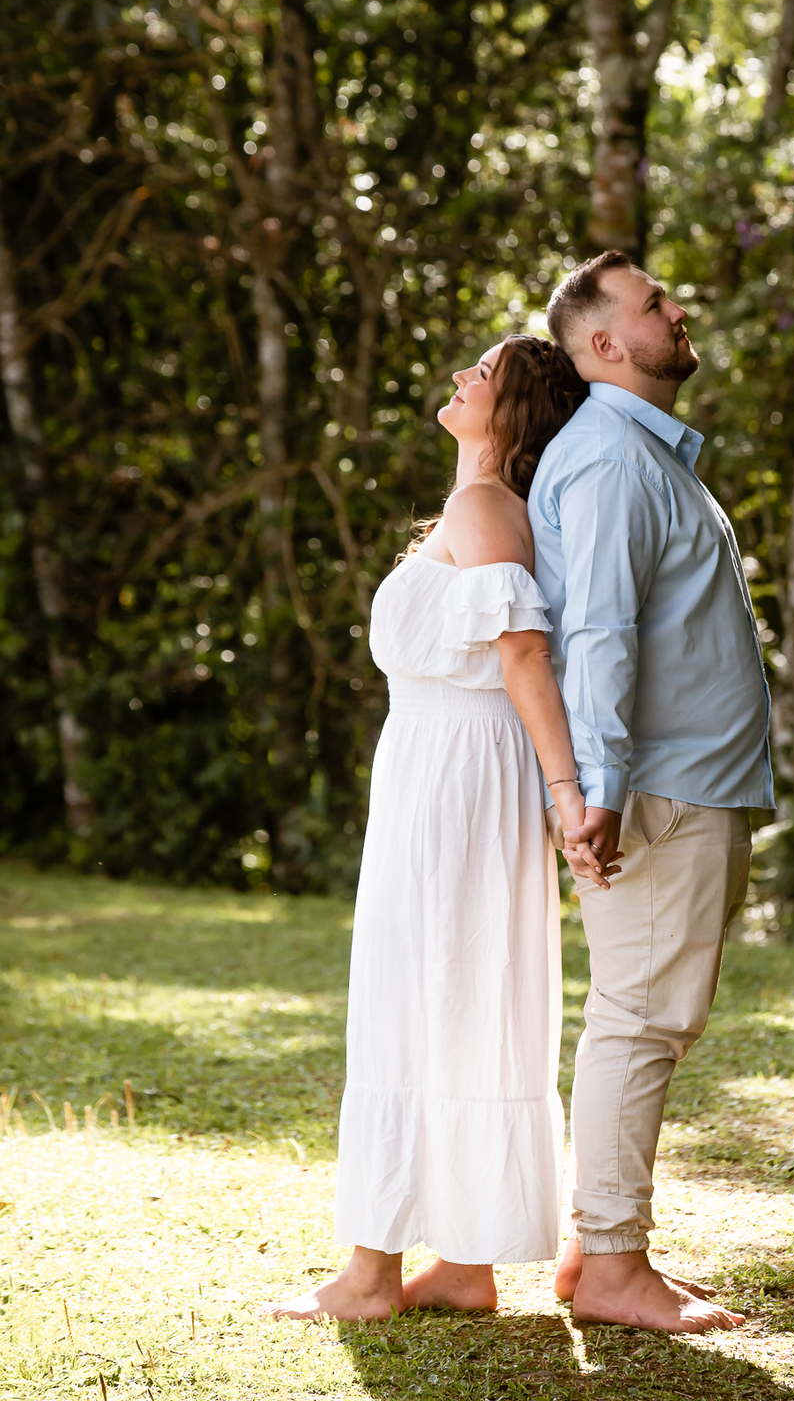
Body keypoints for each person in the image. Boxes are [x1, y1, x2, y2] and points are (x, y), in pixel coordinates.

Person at [265, 333, 602, 1323]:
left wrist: (564, 790)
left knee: (420, 998)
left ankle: (371, 1278)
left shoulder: (485, 508)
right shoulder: (478, 508)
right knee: (453, 996)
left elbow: (525, 655)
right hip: (442, 772)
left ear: (512, 414)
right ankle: (463, 1264)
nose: (461, 376)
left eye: (484, 374)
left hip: (462, 779)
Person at [528, 250, 773, 1335]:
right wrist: (602, 790)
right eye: (654, 303)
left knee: (643, 1013)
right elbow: (599, 635)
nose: (680, 310)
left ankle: (598, 1247)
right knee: (641, 1017)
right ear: (605, 346)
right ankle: (619, 1266)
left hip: (680, 785)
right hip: (660, 792)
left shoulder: (641, 452)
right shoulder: (614, 461)